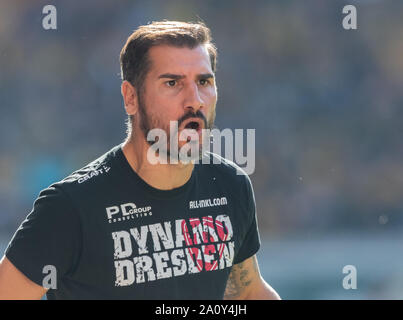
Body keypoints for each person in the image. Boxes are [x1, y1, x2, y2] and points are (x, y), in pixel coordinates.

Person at [0, 20, 280, 300]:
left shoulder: (229, 186)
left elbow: (247, 293)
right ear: (130, 97)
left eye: (204, 82)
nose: (195, 100)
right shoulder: (70, 208)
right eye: (173, 83)